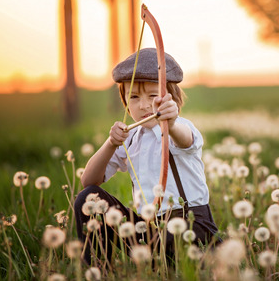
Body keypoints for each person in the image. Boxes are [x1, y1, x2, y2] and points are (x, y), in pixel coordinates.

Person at [74, 48, 220, 265]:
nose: (143, 105)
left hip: (192, 226)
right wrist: (111, 143)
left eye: (153, 96)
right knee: (89, 197)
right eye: (133, 97)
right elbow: (89, 181)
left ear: (172, 99)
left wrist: (170, 123)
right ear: (124, 101)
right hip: (150, 230)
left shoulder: (180, 128)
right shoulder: (131, 137)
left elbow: (185, 140)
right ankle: (97, 271)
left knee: (181, 249)